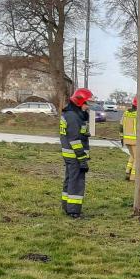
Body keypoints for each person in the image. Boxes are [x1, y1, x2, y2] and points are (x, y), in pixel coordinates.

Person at [60, 88, 93, 219]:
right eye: (86, 103)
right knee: (77, 182)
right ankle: (74, 211)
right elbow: (74, 140)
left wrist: (84, 133)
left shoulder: (71, 114)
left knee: (70, 179)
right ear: (80, 102)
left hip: (69, 154)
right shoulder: (73, 117)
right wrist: (82, 159)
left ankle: (66, 206)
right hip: (75, 155)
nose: (87, 106)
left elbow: (74, 133)